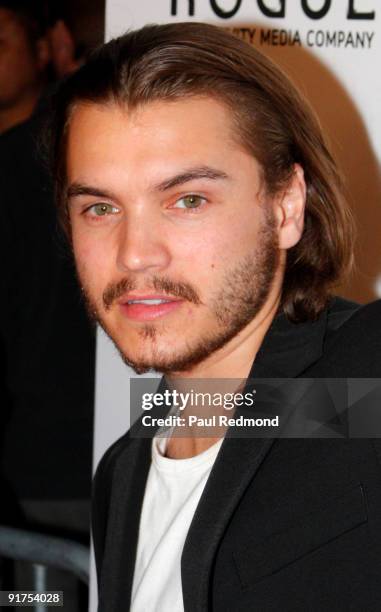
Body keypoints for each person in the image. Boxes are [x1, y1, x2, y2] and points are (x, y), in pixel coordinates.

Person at [49, 23, 381, 611]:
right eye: (100, 207)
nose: (135, 253)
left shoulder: (363, 383)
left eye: (188, 200)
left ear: (286, 207)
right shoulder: (122, 475)